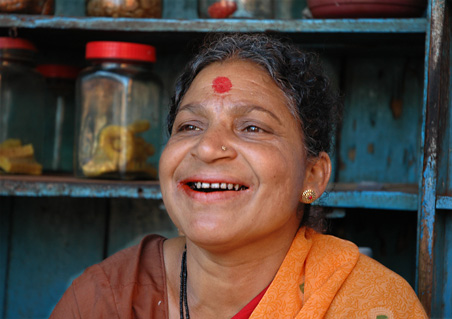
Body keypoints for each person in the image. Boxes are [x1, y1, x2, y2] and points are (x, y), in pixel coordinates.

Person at [50, 33, 427, 319]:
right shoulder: (106, 300)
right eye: (189, 126)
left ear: (313, 175)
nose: (209, 148)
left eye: (251, 128)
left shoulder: (369, 302)